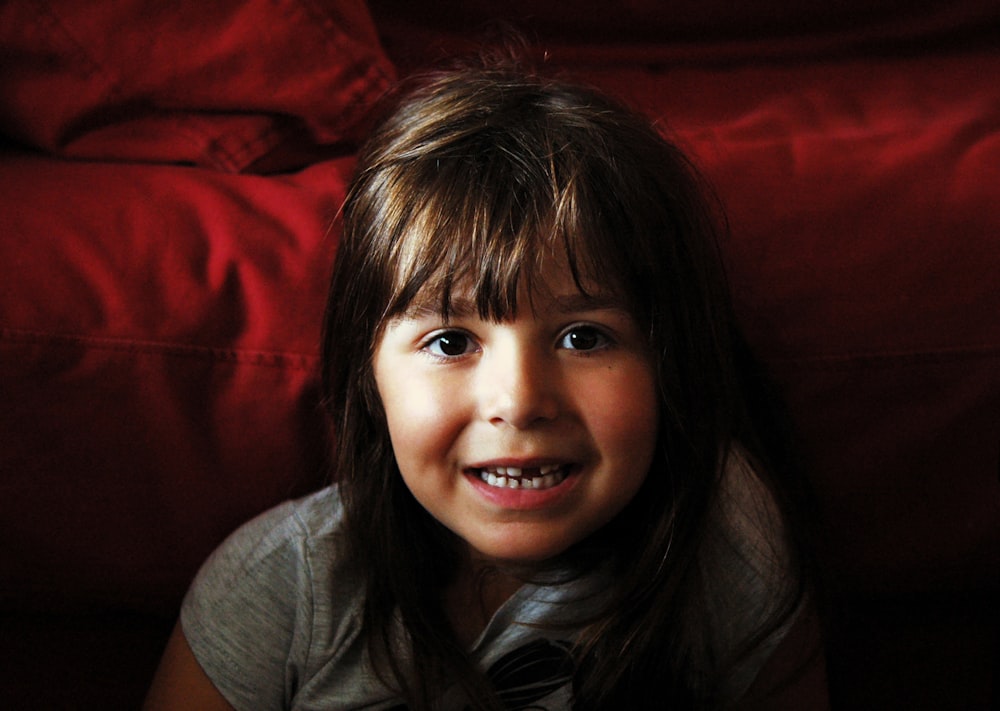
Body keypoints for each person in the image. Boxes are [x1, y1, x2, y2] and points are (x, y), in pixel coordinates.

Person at [144, 55, 825, 710]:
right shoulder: (278, 587)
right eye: (450, 341)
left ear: (669, 361)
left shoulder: (724, 539)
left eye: (583, 337)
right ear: (367, 374)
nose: (520, 401)